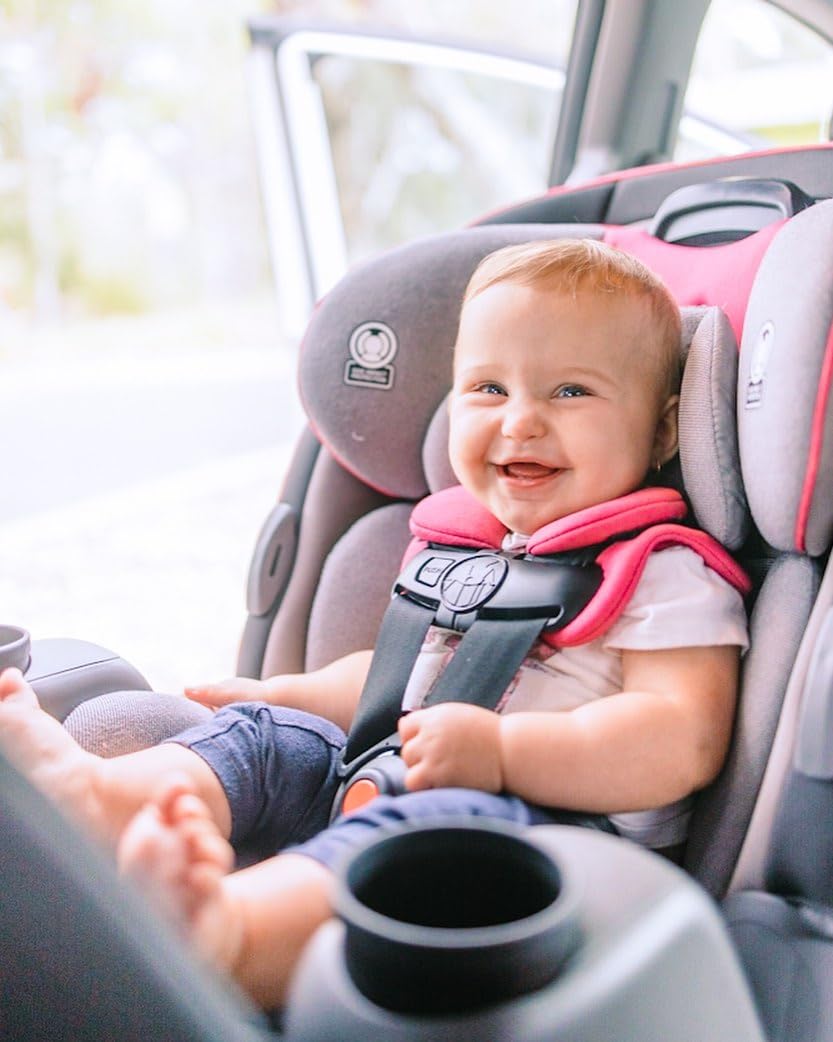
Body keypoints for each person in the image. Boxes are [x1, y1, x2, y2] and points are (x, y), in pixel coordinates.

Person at [0, 239, 748, 1011]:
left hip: (541, 839)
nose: (520, 420)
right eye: (487, 388)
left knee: (416, 826)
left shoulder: (663, 571)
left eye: (569, 392)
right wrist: (283, 691)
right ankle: (95, 803)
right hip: (393, 768)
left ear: (661, 433)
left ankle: (231, 936)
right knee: (264, 738)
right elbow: (398, 677)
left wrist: (501, 752)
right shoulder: (468, 552)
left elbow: (680, 737)